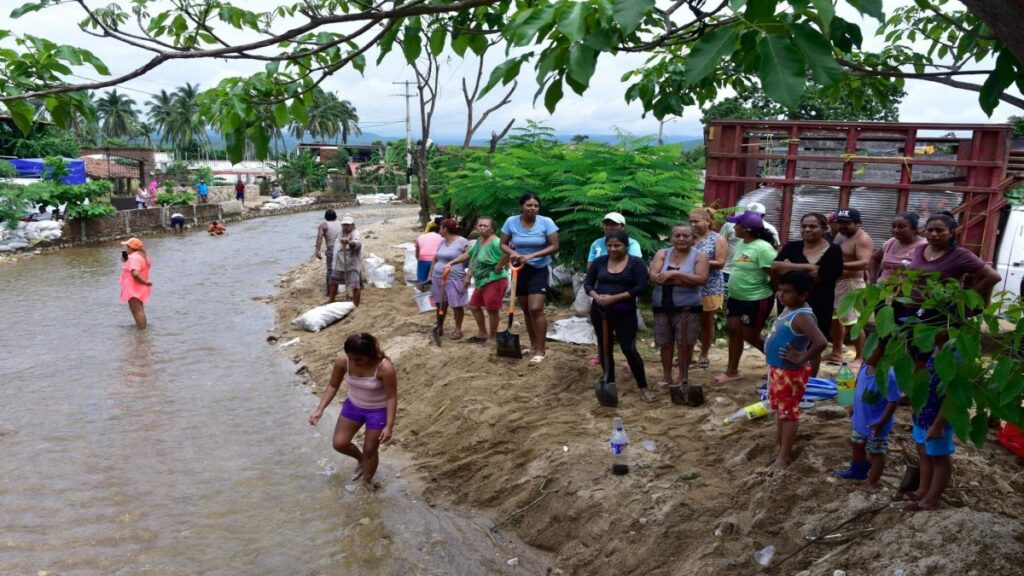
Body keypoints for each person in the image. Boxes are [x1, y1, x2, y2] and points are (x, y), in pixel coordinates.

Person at [899, 211, 1000, 360]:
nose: (933, 234)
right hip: (914, 306)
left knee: (933, 353)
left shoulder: (960, 255)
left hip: (942, 310)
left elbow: (993, 276)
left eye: (939, 230)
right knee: (913, 349)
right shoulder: (920, 249)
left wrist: (964, 296)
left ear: (952, 233)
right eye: (930, 230)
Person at [308, 333, 397, 490]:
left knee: (370, 449)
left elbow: (391, 397)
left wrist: (389, 426)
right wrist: (320, 409)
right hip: (354, 406)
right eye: (352, 358)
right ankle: (361, 460)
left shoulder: (385, 367)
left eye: (359, 359)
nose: (354, 362)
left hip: (377, 411)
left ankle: (366, 484)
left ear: (370, 354)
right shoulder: (343, 360)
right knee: (339, 443)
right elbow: (333, 385)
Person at [764, 272, 828, 469]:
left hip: (790, 373)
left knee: (788, 413)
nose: (781, 295)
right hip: (779, 369)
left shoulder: (801, 316)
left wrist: (801, 357)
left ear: (803, 295)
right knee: (781, 411)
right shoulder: (789, 308)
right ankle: (779, 446)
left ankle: (784, 457)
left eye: (787, 292)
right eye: (780, 290)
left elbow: (821, 342)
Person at [771, 213, 844, 376]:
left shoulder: (834, 250)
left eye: (813, 226)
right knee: (787, 337)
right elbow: (775, 266)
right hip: (791, 301)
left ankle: (810, 380)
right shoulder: (792, 246)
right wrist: (807, 268)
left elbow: (822, 277)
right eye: (804, 226)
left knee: (814, 342)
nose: (807, 229)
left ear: (824, 229)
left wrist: (790, 267)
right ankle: (784, 373)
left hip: (820, 301)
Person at [584, 230, 653, 401]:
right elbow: (588, 284)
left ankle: (643, 386)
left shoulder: (636, 263)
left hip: (624, 309)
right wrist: (597, 296)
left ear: (626, 246)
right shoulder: (599, 262)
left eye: (617, 245)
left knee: (628, 348)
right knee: (604, 346)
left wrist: (614, 298)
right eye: (609, 245)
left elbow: (640, 287)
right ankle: (609, 380)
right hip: (600, 310)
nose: (613, 249)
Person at [717, 210, 777, 385]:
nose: (733, 227)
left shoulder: (763, 248)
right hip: (737, 298)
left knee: (750, 335)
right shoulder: (743, 243)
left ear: (746, 228)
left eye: (736, 224)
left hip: (756, 299)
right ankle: (732, 371)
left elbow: (774, 275)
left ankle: (783, 363)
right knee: (734, 331)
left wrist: (777, 293)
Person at [501, 192, 560, 364]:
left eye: (535, 206)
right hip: (519, 269)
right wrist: (514, 253)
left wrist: (532, 256)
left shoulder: (546, 222)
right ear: (522, 207)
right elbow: (502, 243)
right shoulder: (511, 222)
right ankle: (533, 346)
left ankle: (541, 350)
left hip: (539, 269)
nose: (532, 208)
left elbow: (554, 246)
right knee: (526, 310)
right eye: (529, 205)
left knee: (536, 309)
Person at [649, 225, 709, 391]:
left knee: (685, 343)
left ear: (693, 239)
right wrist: (685, 280)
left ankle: (683, 376)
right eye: (677, 236)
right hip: (662, 305)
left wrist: (674, 274)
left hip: (688, 307)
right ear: (671, 238)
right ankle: (667, 376)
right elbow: (653, 276)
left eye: (685, 236)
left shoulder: (700, 256)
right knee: (665, 342)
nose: (681, 239)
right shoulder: (662, 253)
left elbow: (700, 279)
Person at [897, 356, 954, 511]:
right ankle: (922, 490)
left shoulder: (954, 356)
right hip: (922, 415)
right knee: (923, 452)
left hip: (939, 420)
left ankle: (932, 499)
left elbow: (953, 395)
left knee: (939, 458)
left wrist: (938, 424)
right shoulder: (930, 348)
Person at [835, 359, 901, 491]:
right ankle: (858, 470)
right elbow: (858, 385)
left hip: (876, 424)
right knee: (857, 444)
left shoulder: (889, 376)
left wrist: (881, 422)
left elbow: (893, 401)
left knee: (876, 452)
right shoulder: (864, 367)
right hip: (860, 419)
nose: (867, 352)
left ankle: (872, 482)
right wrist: (854, 405)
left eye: (873, 349)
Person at [447, 216, 509, 343]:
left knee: (492, 309)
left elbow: (507, 254)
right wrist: (452, 262)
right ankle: (482, 332)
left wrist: (498, 266)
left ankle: (492, 337)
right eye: (480, 225)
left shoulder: (496, 242)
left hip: (495, 279)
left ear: (492, 229)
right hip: (481, 280)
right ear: (476, 227)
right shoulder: (480, 240)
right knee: (474, 306)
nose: (482, 228)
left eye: (485, 226)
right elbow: (469, 255)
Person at [827, 208, 874, 366]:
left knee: (853, 321)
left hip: (851, 283)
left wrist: (837, 266)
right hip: (836, 282)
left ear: (858, 223)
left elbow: (864, 262)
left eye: (847, 223)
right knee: (835, 319)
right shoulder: (840, 235)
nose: (842, 226)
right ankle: (836, 352)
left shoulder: (862, 239)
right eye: (840, 222)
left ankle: (860, 357)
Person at [689, 207, 727, 368]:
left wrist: (697, 261)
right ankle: (687, 353)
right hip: (689, 285)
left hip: (709, 286)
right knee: (688, 320)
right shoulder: (688, 238)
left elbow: (720, 262)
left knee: (706, 321)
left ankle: (704, 353)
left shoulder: (717, 239)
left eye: (696, 221)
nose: (692, 225)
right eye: (690, 221)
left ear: (707, 221)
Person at [428, 218, 470, 339]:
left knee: (456, 304)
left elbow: (471, 256)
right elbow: (435, 258)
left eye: (440, 228)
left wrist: (468, 275)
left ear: (445, 229)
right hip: (438, 277)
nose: (439, 230)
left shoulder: (462, 242)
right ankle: (439, 326)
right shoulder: (442, 242)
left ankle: (458, 329)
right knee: (440, 303)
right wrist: (430, 273)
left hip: (454, 277)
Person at [720, 201, 780, 282]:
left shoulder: (769, 233)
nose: (735, 227)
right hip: (728, 270)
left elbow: (774, 251)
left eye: (756, 215)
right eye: (749, 214)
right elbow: (721, 244)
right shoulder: (730, 227)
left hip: (752, 277)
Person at [870, 212, 927, 284]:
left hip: (907, 293)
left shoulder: (924, 246)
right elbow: (874, 259)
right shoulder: (891, 242)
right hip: (882, 291)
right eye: (894, 226)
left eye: (901, 227)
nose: (896, 230)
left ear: (914, 229)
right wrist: (873, 279)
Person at [326, 215, 363, 306]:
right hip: (339, 262)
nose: (346, 227)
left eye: (348, 225)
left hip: (351, 263)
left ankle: (356, 304)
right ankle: (331, 300)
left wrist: (349, 242)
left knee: (355, 285)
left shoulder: (355, 233)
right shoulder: (340, 233)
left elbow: (357, 243)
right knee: (333, 281)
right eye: (344, 225)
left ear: (353, 225)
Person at [119, 237, 153, 330]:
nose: (126, 249)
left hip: (134, 287)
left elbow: (135, 273)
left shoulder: (134, 258)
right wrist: (126, 260)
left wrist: (145, 282)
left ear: (131, 248)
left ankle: (142, 332)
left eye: (127, 247)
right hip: (138, 287)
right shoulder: (142, 256)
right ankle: (141, 329)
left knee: (137, 310)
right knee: (139, 309)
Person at [315, 210, 342, 296]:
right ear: (336, 216)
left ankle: (330, 292)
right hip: (342, 247)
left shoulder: (324, 225)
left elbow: (320, 237)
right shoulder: (341, 223)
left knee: (330, 271)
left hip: (332, 248)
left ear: (325, 217)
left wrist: (317, 250)